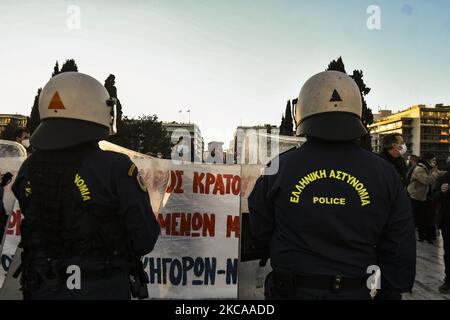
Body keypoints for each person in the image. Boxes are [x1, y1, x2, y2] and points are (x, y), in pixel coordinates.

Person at [248, 70, 416, 300]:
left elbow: (260, 228)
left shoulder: (278, 168)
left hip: (292, 291)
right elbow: (400, 241)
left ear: (303, 110)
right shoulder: (385, 173)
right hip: (359, 291)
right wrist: (394, 288)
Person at [12, 72, 160, 300]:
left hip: (40, 288)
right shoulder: (116, 168)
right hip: (100, 288)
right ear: (96, 109)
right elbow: (144, 239)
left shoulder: (28, 168)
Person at [407, 153, 445, 243]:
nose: (434, 162)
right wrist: (436, 174)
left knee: (422, 217)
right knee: (415, 217)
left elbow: (438, 173)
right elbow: (426, 180)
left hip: (423, 197)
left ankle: (422, 236)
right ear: (427, 160)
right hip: (415, 196)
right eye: (433, 160)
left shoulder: (428, 168)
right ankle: (411, 236)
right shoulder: (420, 168)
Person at [434, 169, 450, 294]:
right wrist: (441, 191)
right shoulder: (444, 178)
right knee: (448, 252)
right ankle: (448, 279)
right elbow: (433, 196)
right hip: (447, 221)